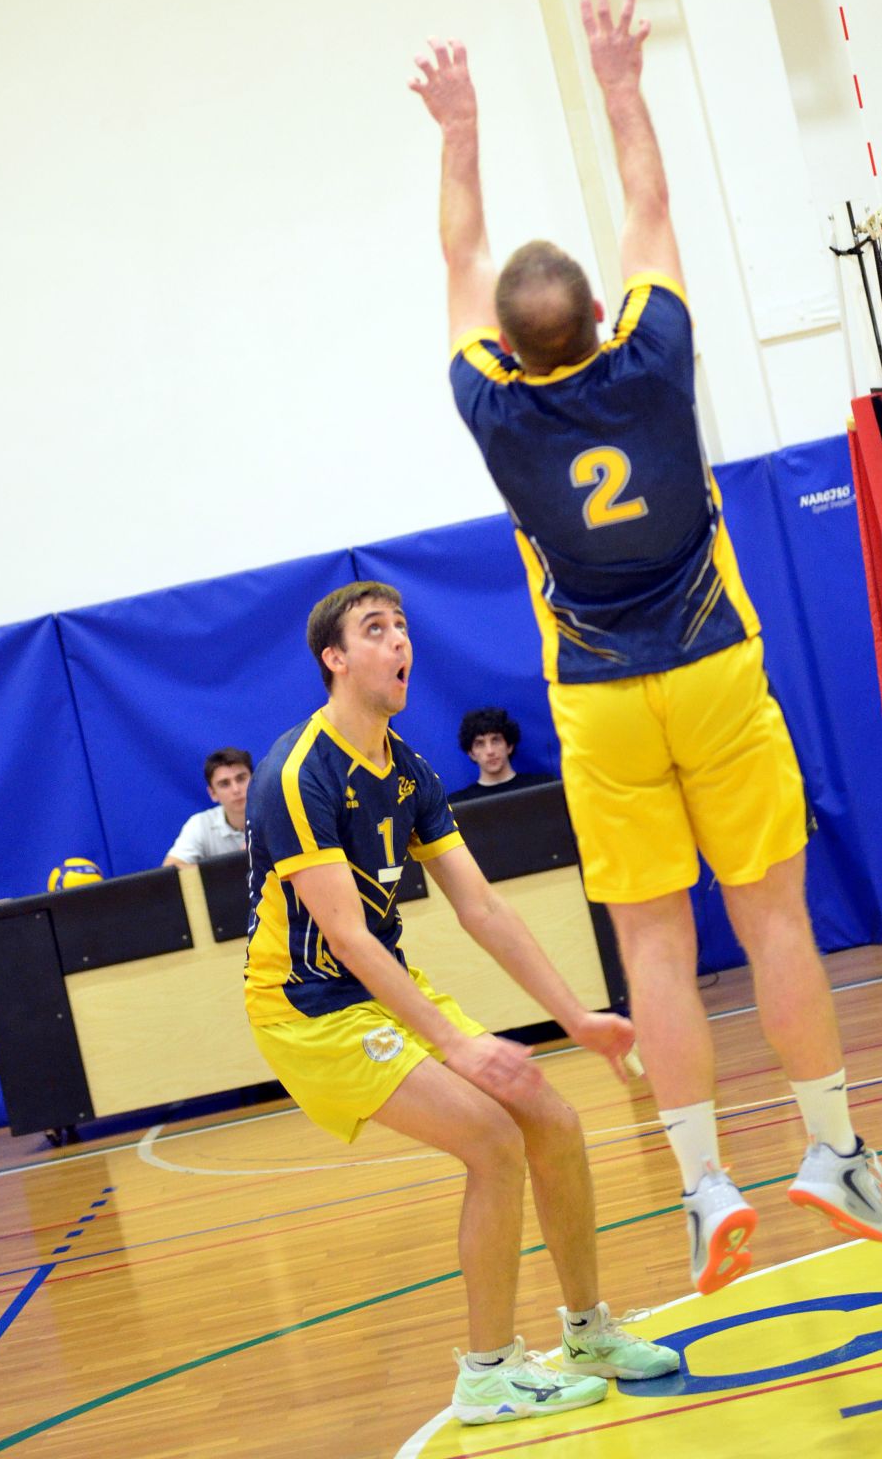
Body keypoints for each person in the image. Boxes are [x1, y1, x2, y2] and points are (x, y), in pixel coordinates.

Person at [409, 0, 882, 1298]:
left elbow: (458, 259)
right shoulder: (656, 352)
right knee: (776, 919)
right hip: (714, 665)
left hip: (599, 698)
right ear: (600, 317)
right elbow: (651, 204)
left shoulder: (491, 407)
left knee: (656, 948)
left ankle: (702, 1186)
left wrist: (459, 129)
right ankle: (832, 1150)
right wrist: (619, 80)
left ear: (509, 346)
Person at [243, 580, 679, 1424]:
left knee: (552, 1120)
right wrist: (455, 1041)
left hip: (375, 988)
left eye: (402, 626)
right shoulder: (298, 773)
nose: (399, 641)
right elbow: (348, 938)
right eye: (376, 630)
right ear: (335, 659)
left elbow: (481, 907)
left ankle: (587, 1333)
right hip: (309, 1010)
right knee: (491, 1139)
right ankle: (487, 1373)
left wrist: (576, 1016)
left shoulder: (408, 770)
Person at [164, 748, 251, 867]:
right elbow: (171, 869)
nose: (236, 790)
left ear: (255, 780)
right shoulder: (200, 824)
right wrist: (231, 866)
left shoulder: (275, 813)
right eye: (225, 784)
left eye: (241, 779)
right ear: (213, 793)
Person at [453, 707, 552, 801]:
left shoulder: (544, 786)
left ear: (509, 746)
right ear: (471, 754)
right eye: (480, 744)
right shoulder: (457, 803)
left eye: (495, 740)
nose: (490, 751)